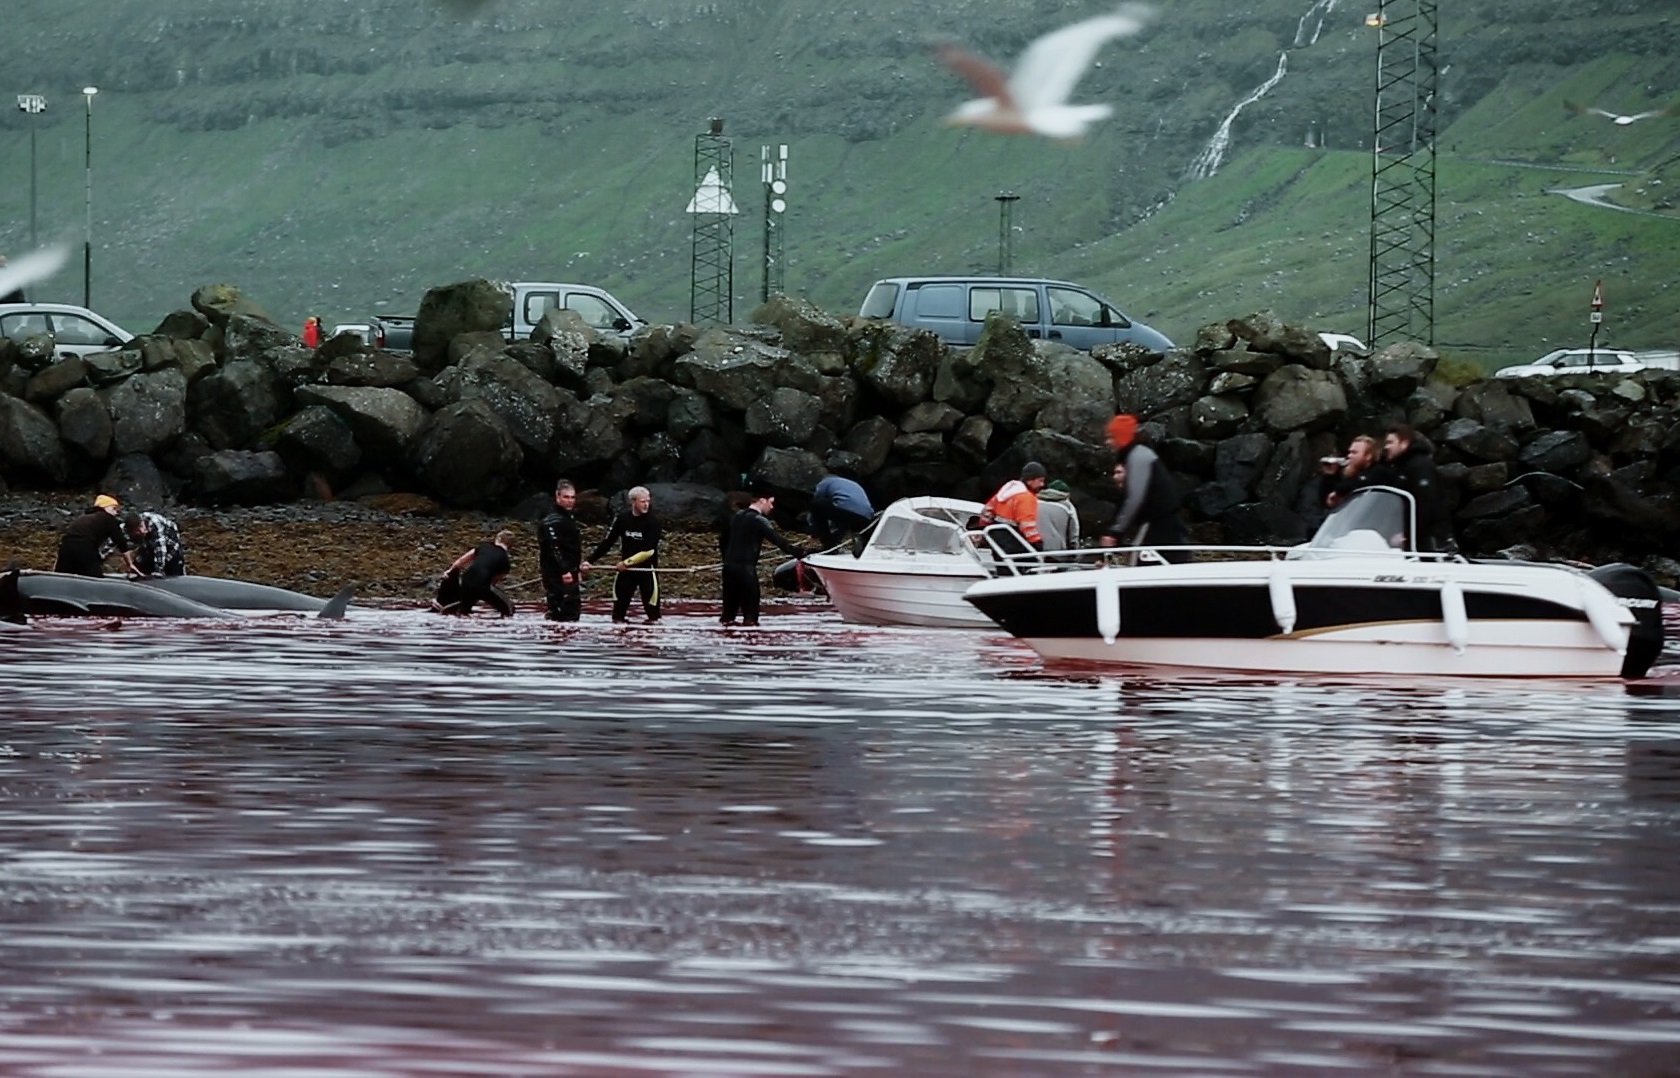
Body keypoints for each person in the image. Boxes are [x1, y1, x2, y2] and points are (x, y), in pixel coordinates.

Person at [1100, 414, 1190, 563]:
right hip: (1167, 523)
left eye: (1111, 437)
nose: (1108, 442)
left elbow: (1134, 497)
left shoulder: (1138, 456)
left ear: (1121, 436)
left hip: (1158, 523)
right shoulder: (1139, 455)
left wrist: (1116, 531)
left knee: (1140, 563)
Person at [720, 482, 805, 626]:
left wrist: (726, 559)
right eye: (771, 503)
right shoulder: (759, 520)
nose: (772, 507)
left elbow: (723, 540)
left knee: (728, 616)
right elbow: (778, 541)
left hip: (728, 570)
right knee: (751, 618)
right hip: (746, 571)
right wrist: (800, 553)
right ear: (762, 501)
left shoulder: (736, 516)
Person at [589, 485, 663, 623]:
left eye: (648, 501)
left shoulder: (653, 522)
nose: (646, 504)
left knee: (653, 616)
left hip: (646, 570)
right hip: (626, 572)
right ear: (633, 502)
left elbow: (648, 550)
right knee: (618, 615)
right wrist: (590, 561)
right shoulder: (623, 519)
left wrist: (627, 563)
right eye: (642, 501)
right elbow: (608, 542)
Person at [1382, 423, 1449, 551]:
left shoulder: (1420, 466)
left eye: (1390, 442)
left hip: (1428, 540)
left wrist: (1407, 534)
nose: (1386, 447)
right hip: (1411, 537)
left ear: (1404, 443)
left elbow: (1426, 503)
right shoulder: (1400, 467)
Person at [55, 494, 139, 577]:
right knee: (94, 579)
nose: (116, 513)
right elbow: (121, 542)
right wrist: (130, 564)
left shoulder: (82, 518)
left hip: (65, 547)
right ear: (105, 507)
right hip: (84, 548)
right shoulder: (108, 518)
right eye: (114, 509)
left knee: (62, 577)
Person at [436, 529, 515, 616]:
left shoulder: (483, 547)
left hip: (466, 582)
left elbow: (461, 561)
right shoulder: (505, 561)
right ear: (510, 545)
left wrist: (449, 571)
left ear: (498, 539)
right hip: (483, 586)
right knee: (509, 608)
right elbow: (493, 582)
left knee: (463, 612)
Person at [538, 479, 586, 622]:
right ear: (558, 497)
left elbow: (573, 548)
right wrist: (564, 570)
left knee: (573, 608)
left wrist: (576, 570)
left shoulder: (568, 518)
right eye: (566, 497)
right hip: (557, 572)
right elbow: (553, 547)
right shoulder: (551, 521)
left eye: (572, 497)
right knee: (560, 608)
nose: (570, 501)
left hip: (571, 570)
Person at [978, 462, 1048, 548]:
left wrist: (983, 529)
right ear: (1030, 480)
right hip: (1012, 539)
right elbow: (1027, 524)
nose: (1042, 484)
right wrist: (1037, 543)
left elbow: (987, 511)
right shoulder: (1026, 497)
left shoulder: (1007, 491)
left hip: (996, 537)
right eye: (1040, 480)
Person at [808, 473, 875, 548]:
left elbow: (817, 500)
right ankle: (836, 543)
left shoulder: (826, 482)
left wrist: (813, 528)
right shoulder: (851, 484)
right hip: (866, 519)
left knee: (816, 505)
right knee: (842, 523)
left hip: (848, 513)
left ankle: (826, 543)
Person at [1317, 434, 1382, 510]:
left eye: (1354, 453)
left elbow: (1353, 484)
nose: (1349, 456)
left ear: (1368, 456)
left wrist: (1338, 492)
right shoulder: (1350, 474)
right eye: (1349, 452)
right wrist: (1329, 476)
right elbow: (1326, 501)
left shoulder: (1378, 472)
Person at [124, 511, 186, 576]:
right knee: (141, 566)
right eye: (137, 531)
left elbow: (160, 547)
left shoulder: (155, 522)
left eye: (141, 526)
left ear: (142, 521)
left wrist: (158, 571)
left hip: (171, 548)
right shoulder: (127, 528)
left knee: (172, 572)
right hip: (149, 547)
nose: (142, 531)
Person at [1035, 478, 1080, 552]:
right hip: (1057, 552)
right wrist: (1075, 554)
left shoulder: (1033, 502)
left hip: (1032, 550)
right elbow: (1074, 534)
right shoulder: (1068, 506)